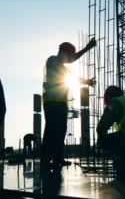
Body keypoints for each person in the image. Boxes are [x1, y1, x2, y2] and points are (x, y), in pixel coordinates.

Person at [41, 39, 96, 174]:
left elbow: (72, 61)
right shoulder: (52, 60)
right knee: (51, 131)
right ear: (64, 52)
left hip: (60, 102)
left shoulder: (61, 63)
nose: (71, 59)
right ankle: (45, 161)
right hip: (52, 102)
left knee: (61, 131)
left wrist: (87, 48)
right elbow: (66, 70)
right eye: (70, 55)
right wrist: (85, 81)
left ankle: (58, 158)